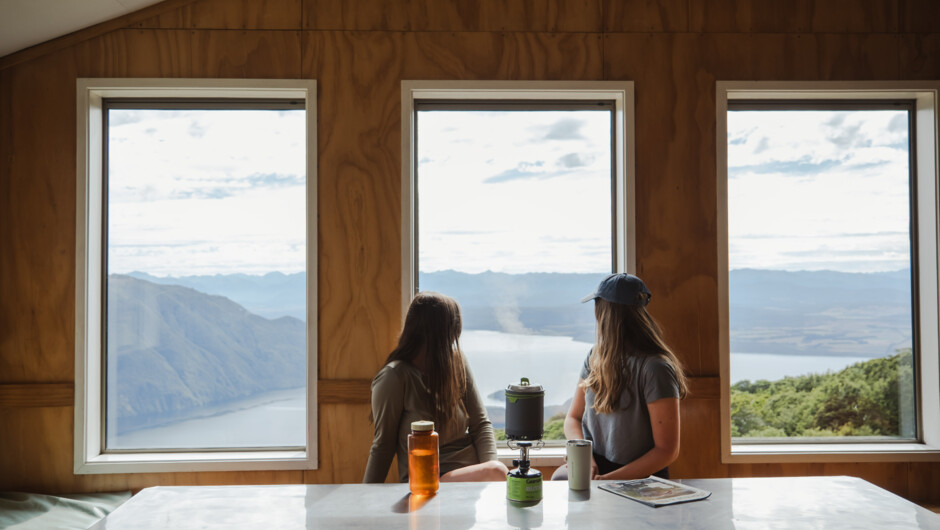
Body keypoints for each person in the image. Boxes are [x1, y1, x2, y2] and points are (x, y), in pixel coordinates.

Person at [553, 273, 688, 481]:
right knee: (560, 480)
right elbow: (573, 418)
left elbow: (666, 451)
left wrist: (611, 481)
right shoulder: (595, 356)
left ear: (601, 312)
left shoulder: (656, 369)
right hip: (596, 467)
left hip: (640, 479)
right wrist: (585, 458)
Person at [363, 291, 508, 484]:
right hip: (429, 482)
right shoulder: (394, 376)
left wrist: (489, 474)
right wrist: (364, 498)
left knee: (500, 472)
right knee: (498, 471)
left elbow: (480, 425)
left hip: (474, 481)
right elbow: (383, 446)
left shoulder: (457, 362)